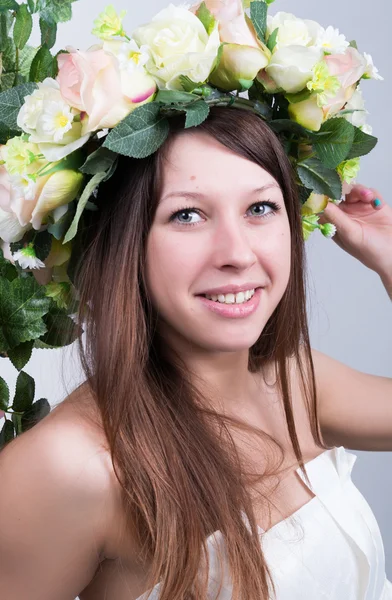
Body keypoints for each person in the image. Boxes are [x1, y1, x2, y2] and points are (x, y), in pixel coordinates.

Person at [0, 106, 391, 600]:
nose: (238, 253)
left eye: (261, 208)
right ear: (122, 244)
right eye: (187, 215)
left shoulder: (296, 383)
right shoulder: (71, 466)